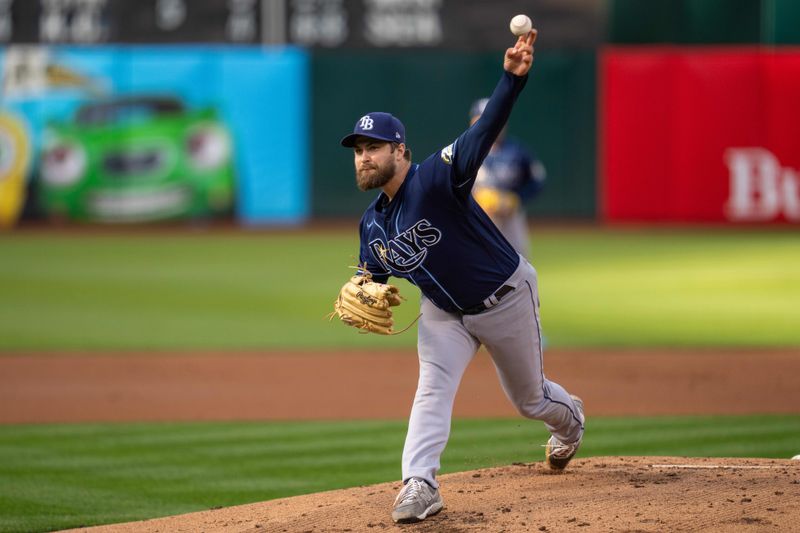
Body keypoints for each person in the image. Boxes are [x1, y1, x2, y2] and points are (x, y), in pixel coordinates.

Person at [338, 28, 584, 524]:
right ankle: (419, 484)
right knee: (432, 387)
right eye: (359, 148)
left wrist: (511, 78)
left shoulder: (436, 178)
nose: (364, 155)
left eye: (375, 146)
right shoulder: (372, 223)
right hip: (443, 313)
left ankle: (572, 424)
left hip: (505, 297)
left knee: (530, 398)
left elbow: (482, 131)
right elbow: (373, 273)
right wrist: (364, 287)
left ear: (400, 152)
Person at [469, 97, 546, 259]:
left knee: (520, 260)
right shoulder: (463, 153)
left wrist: (517, 198)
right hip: (477, 217)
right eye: (483, 119)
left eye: (496, 118)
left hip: (511, 216)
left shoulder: (517, 151)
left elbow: (538, 180)